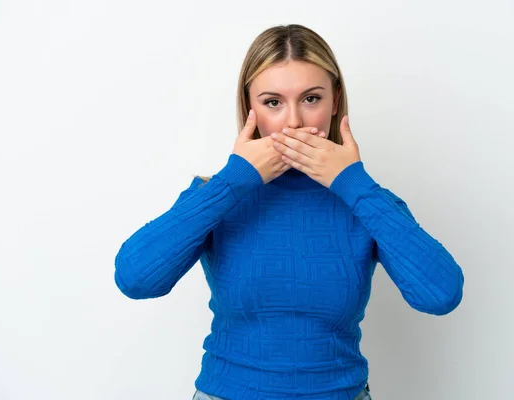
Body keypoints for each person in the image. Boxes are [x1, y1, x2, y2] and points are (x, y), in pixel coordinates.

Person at [114, 24, 464, 400]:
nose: (294, 121)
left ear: (335, 101)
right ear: (250, 108)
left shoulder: (365, 201)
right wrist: (233, 182)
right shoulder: (217, 195)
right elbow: (135, 279)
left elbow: (441, 295)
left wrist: (355, 186)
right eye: (273, 102)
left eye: (311, 99)